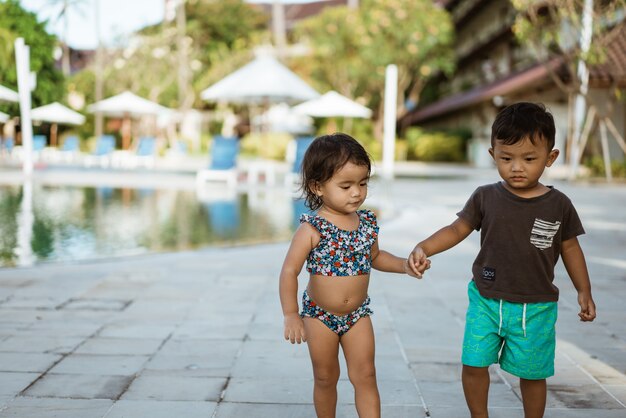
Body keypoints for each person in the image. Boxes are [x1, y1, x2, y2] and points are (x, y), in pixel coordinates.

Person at [408, 102, 596, 418]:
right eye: (506, 158)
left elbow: (571, 249)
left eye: (529, 158)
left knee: (533, 374)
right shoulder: (485, 196)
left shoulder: (559, 205)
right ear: (493, 154)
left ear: (550, 158)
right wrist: (424, 246)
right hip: (485, 299)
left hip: (535, 307)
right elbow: (457, 229)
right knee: (473, 362)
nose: (516, 167)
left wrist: (584, 290)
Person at [279, 133, 427, 418]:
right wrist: (290, 314)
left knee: (366, 375)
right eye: (345, 186)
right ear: (317, 186)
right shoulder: (312, 228)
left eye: (362, 183)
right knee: (325, 377)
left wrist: (405, 266)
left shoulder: (366, 222)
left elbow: (376, 258)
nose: (357, 193)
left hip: (358, 315)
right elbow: (289, 271)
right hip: (319, 316)